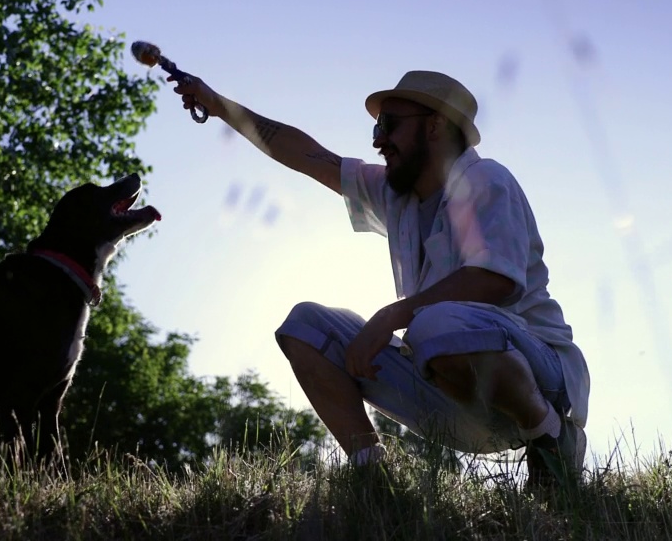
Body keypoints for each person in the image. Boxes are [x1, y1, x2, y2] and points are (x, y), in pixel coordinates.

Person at [169, 68, 591, 487]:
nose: (376, 139)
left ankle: (550, 439)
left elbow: (495, 281)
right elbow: (305, 155)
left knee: (433, 322)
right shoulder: (395, 194)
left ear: (435, 126)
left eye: (388, 125)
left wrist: (391, 316)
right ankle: (375, 482)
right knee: (306, 326)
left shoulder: (485, 179)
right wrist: (217, 104)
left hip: (540, 379)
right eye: (376, 126)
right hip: (455, 390)